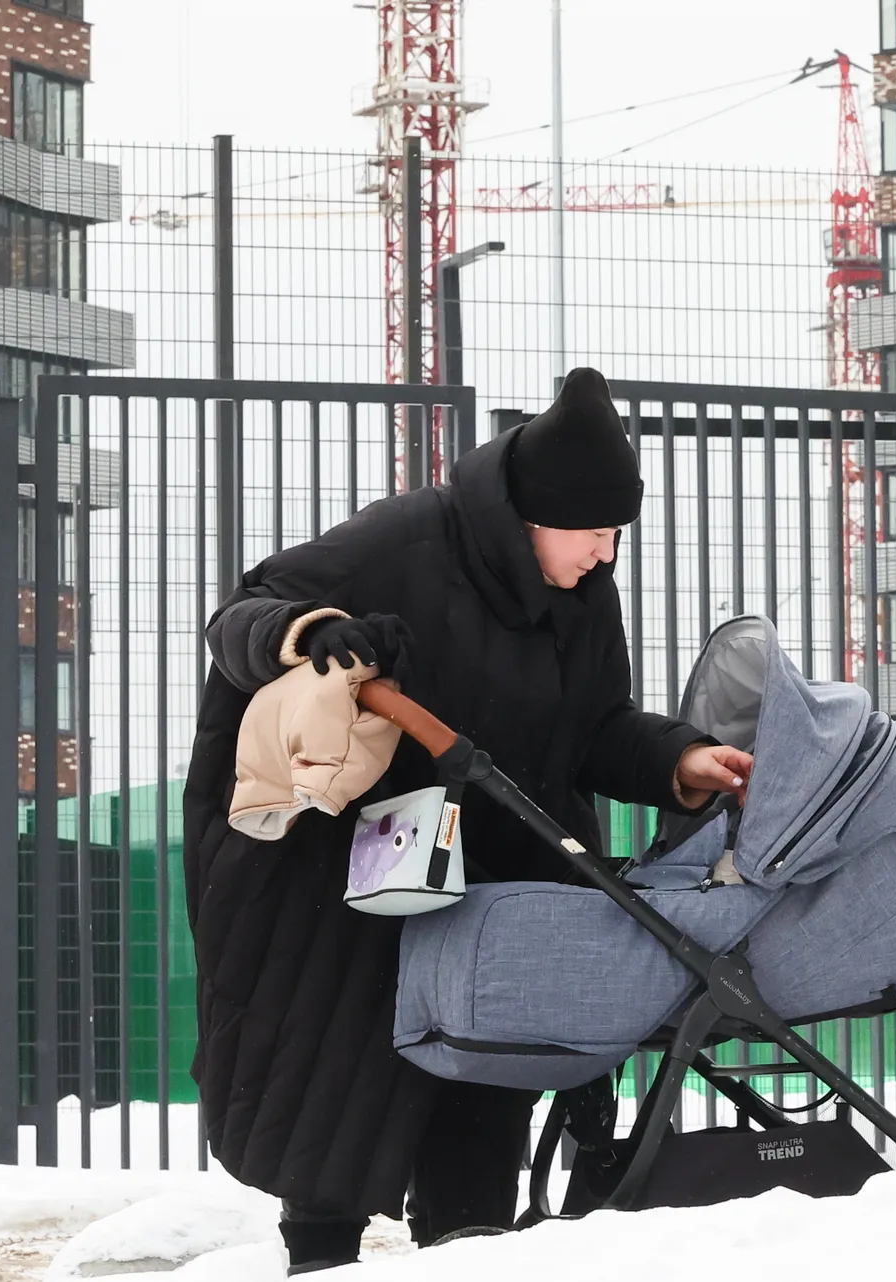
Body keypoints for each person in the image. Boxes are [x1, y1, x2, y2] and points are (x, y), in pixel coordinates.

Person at [182, 367, 754, 1272]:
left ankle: (465, 1254)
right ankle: (320, 1259)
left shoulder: (583, 595)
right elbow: (239, 619)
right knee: (339, 1076)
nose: (606, 553)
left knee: (486, 1075)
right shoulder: (404, 539)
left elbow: (594, 730)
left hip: (504, 876)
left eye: (616, 534)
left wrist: (677, 759)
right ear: (535, 515)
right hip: (365, 871)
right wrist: (314, 632)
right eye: (595, 532)